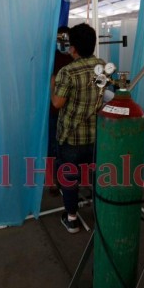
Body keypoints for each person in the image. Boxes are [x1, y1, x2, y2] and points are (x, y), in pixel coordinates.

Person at [51, 23, 105, 233]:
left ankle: (72, 218)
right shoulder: (101, 65)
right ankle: (101, 210)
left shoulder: (67, 72)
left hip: (71, 138)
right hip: (95, 135)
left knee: (69, 177)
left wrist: (52, 83)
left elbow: (57, 103)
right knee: (96, 174)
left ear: (72, 47)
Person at [47, 26, 73, 195]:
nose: (62, 43)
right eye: (60, 39)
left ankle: (62, 178)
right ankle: (51, 181)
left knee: (63, 147)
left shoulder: (72, 59)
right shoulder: (52, 57)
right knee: (52, 146)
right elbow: (51, 80)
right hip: (54, 108)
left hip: (67, 110)